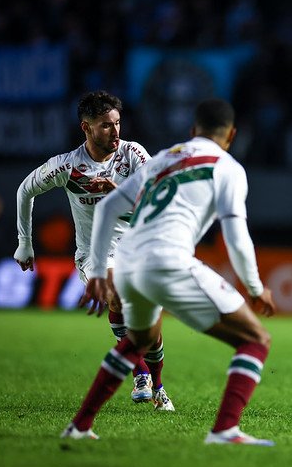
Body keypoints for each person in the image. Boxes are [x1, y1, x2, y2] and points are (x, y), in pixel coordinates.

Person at [63, 98, 277, 445]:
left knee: (139, 341)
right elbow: (235, 235)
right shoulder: (228, 167)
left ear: (193, 131)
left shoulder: (164, 158)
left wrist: (100, 273)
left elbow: (108, 207)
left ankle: (81, 425)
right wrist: (254, 288)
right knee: (257, 340)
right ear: (231, 135)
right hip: (168, 260)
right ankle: (225, 430)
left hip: (129, 262)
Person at [13, 90, 174, 410]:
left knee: (152, 337)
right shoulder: (68, 167)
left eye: (117, 123)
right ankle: (139, 373)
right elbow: (25, 190)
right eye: (105, 125)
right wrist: (25, 242)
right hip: (95, 255)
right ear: (85, 128)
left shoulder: (133, 155)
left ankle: (157, 385)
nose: (115, 132)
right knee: (116, 293)